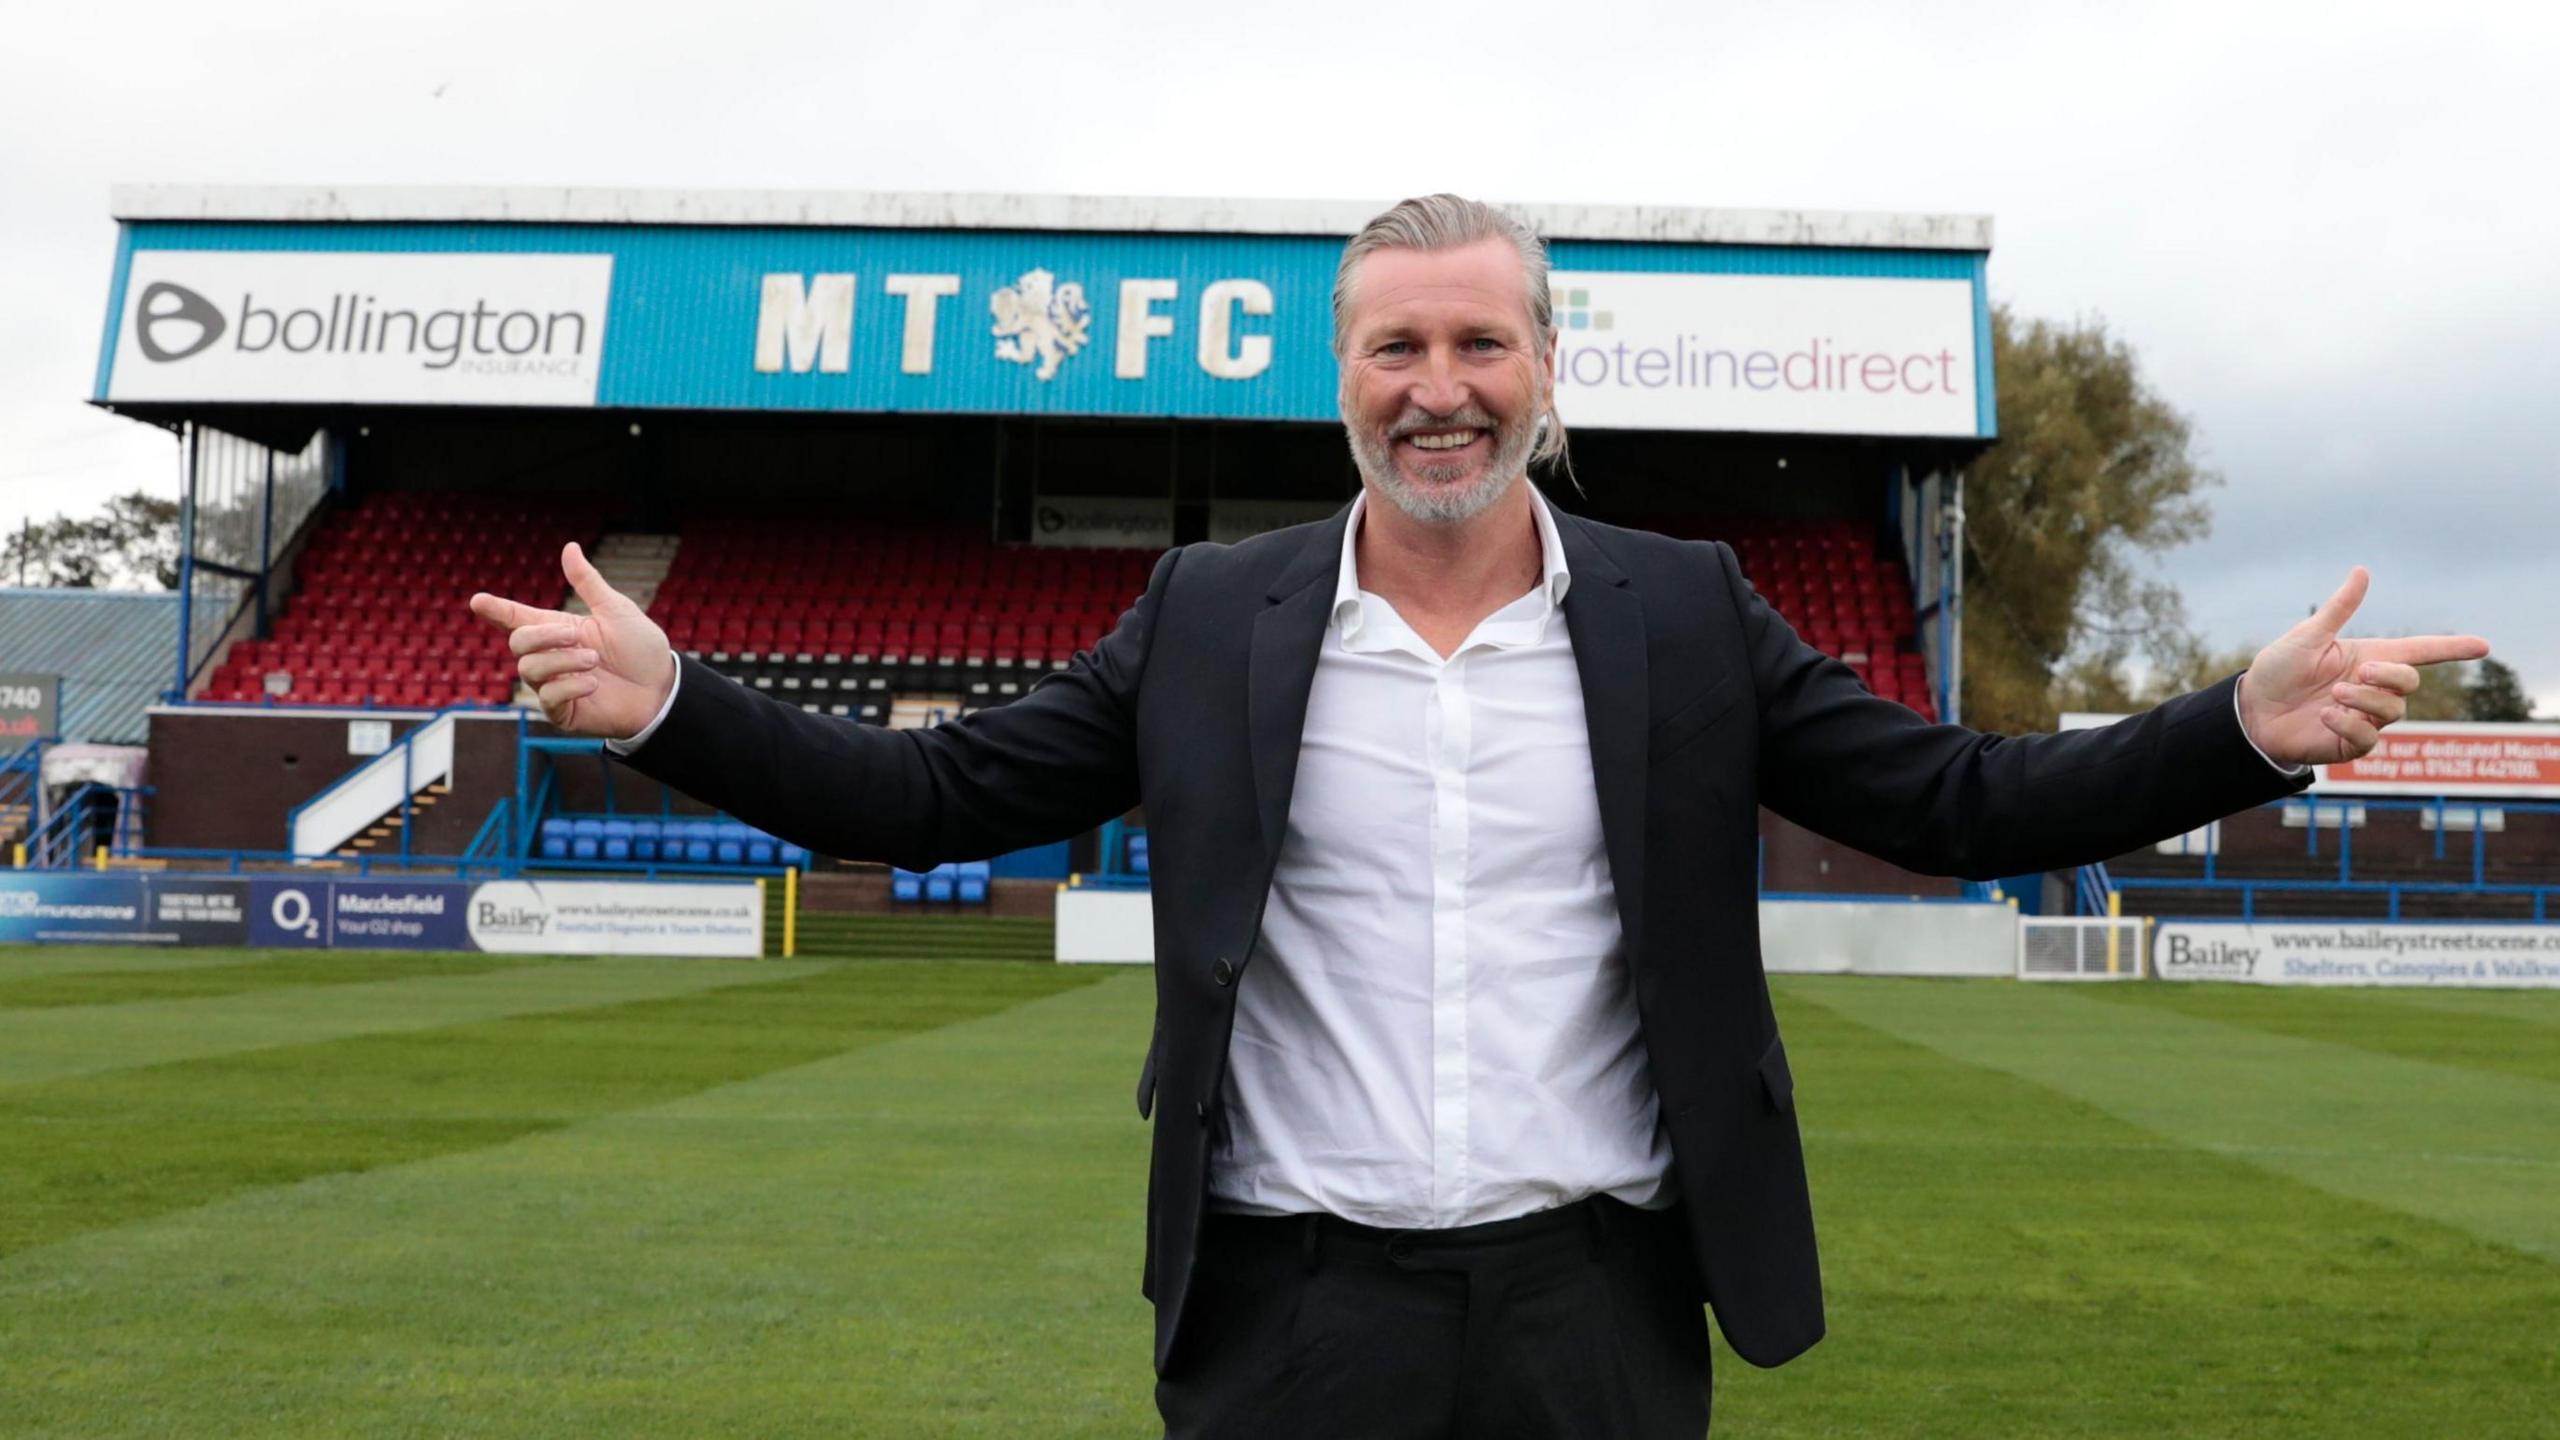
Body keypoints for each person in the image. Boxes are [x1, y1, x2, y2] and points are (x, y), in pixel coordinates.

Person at [470, 194, 2489, 1439]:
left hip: (1594, 1308)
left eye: (1475, 341)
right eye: (1393, 346)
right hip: (1286, 1311)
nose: (1435, 384)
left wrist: (2238, 725)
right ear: (1335, 377)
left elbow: (1956, 800)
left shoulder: (1681, 610)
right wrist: (675, 702)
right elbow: (932, 792)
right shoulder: (1204, 615)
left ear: (1543, 362)